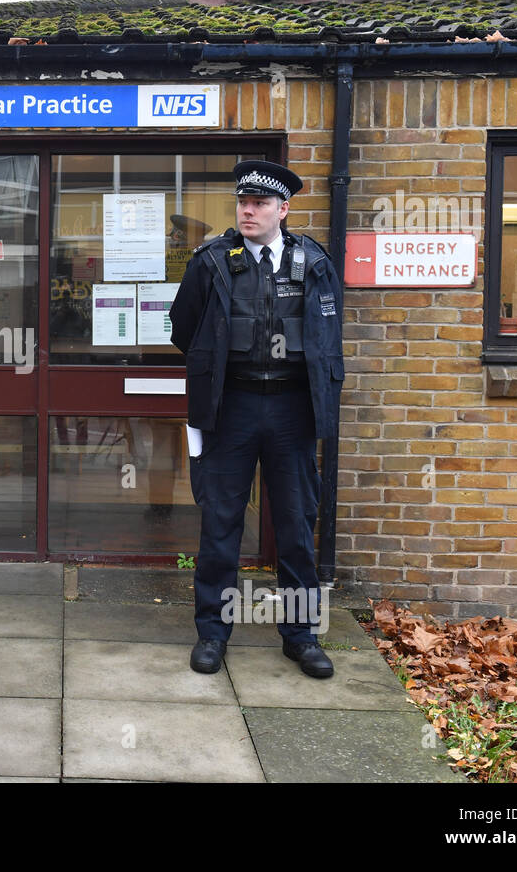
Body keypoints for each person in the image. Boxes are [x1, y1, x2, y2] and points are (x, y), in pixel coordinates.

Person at [168, 161, 344, 679]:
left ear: (282, 210)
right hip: (233, 407)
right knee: (221, 524)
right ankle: (212, 633)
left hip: (291, 409)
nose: (248, 210)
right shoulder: (212, 260)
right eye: (243, 202)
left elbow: (326, 334)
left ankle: (301, 636)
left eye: (260, 203)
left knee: (294, 523)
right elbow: (184, 328)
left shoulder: (312, 261)